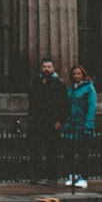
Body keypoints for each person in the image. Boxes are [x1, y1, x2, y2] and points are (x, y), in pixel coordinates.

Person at [27, 57, 69, 185]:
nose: (46, 69)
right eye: (44, 66)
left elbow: (64, 104)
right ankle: (37, 176)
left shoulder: (59, 83)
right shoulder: (36, 82)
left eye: (49, 67)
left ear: (53, 68)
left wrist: (60, 121)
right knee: (36, 151)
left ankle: (52, 178)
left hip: (52, 122)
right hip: (37, 121)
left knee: (52, 151)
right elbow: (32, 101)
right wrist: (31, 117)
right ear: (41, 68)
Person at [63, 64, 97, 190]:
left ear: (83, 75)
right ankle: (73, 175)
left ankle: (83, 178)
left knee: (83, 153)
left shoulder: (89, 88)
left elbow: (91, 107)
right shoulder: (71, 89)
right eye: (74, 74)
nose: (76, 76)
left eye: (78, 74)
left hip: (83, 124)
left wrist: (88, 124)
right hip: (71, 124)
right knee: (70, 152)